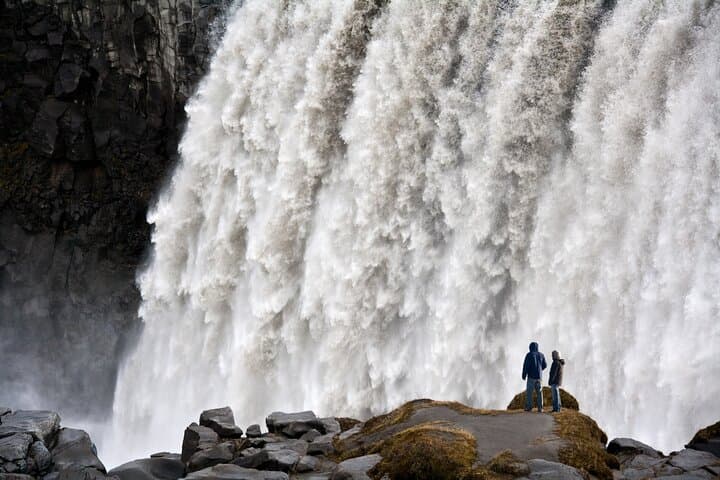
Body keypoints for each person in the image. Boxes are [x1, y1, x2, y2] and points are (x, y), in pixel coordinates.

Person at [522, 341, 547, 412]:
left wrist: (524, 375)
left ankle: (529, 407)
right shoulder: (541, 355)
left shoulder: (529, 355)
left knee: (529, 393)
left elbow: (526, 366)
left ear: (530, 347)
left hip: (531, 377)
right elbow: (545, 365)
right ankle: (540, 408)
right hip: (539, 377)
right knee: (539, 392)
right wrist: (540, 370)